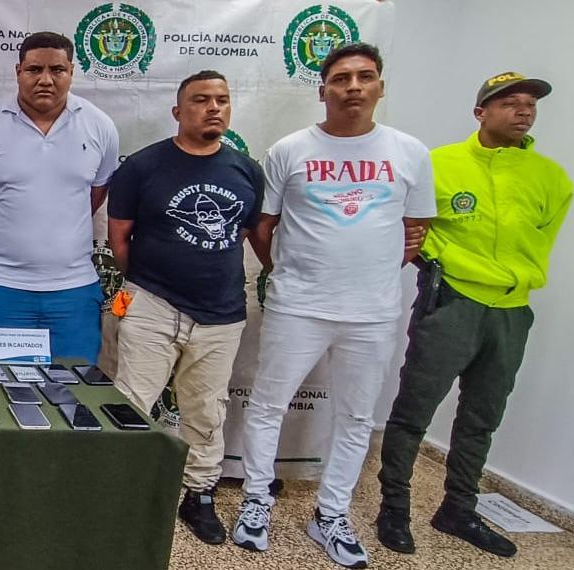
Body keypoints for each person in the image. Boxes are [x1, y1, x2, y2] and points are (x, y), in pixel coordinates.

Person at [231, 43, 437, 569]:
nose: (353, 87)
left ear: (380, 87)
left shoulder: (410, 151)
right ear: (323, 89)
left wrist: (373, 268)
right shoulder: (290, 149)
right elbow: (263, 226)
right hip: (299, 304)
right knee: (268, 405)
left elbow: (416, 228)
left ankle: (331, 513)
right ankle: (257, 500)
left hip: (372, 311)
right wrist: (286, 271)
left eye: (364, 77)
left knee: (356, 416)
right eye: (341, 78)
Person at [376, 72, 570, 558]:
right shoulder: (440, 164)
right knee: (414, 410)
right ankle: (394, 508)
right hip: (452, 302)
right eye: (510, 103)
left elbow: (541, 239)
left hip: (510, 310)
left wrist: (514, 278)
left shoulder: (552, 178)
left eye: (529, 105)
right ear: (481, 112)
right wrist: (438, 263)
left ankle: (458, 508)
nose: (523, 111)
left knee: (482, 417)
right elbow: (410, 223)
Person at [107, 70, 264, 545]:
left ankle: (198, 495)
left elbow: (249, 235)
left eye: (222, 99)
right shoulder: (142, 167)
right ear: (178, 111)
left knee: (206, 411)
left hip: (220, 314)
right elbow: (119, 240)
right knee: (131, 403)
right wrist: (156, 282)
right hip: (150, 303)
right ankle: (122, 494)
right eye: (200, 100)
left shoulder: (246, 170)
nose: (213, 107)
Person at [0, 32, 119, 363]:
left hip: (73, 290)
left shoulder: (101, 127)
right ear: (18, 71)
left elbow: (95, 195)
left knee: (72, 397)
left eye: (57, 70)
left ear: (71, 71)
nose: (45, 79)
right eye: (34, 70)